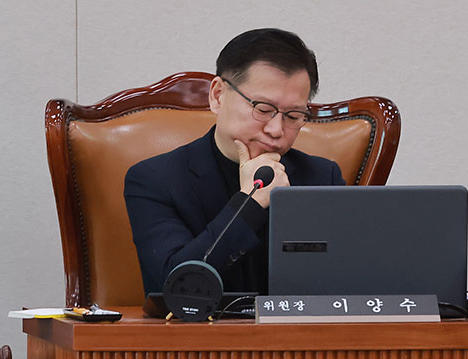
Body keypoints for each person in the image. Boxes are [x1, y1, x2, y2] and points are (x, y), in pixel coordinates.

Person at [125, 28, 345, 297]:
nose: (276, 129)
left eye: (294, 115)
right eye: (263, 109)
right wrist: (249, 204)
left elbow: (341, 287)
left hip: (295, 336)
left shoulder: (322, 178)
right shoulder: (155, 180)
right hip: (193, 337)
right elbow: (180, 286)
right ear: (218, 95)